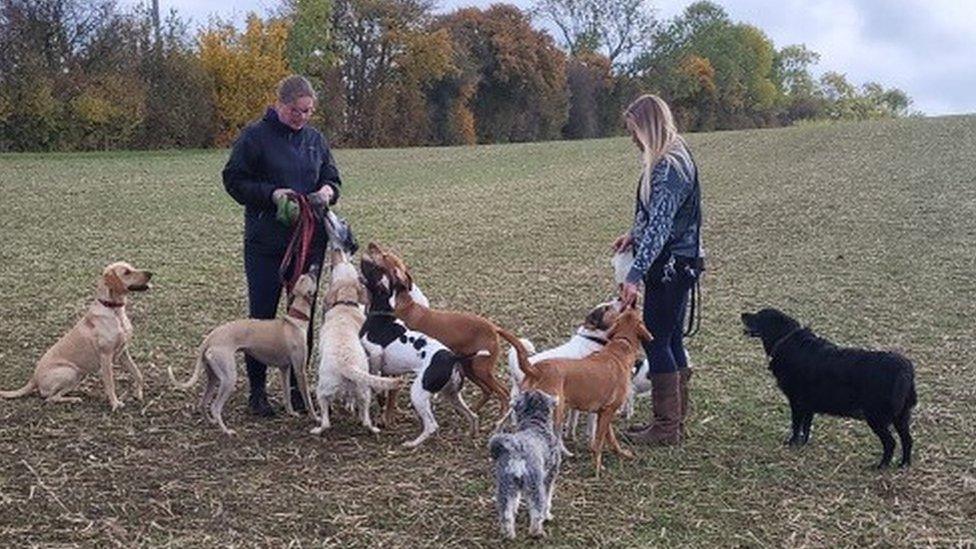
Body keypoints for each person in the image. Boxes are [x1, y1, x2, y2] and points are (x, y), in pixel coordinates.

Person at [222, 75, 342, 417]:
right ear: (280, 104)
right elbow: (234, 180)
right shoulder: (254, 137)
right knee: (261, 317)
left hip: (308, 240)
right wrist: (272, 194)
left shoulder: (315, 140)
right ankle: (257, 393)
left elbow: (332, 178)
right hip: (266, 242)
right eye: (296, 111)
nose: (302, 117)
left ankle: (298, 389)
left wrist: (326, 193)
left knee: (301, 317)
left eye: (308, 111)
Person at [613, 94, 703, 446]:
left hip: (671, 265)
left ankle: (667, 427)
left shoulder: (669, 167)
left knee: (657, 341)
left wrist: (634, 276)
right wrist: (632, 234)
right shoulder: (671, 159)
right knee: (672, 339)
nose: (632, 137)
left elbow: (662, 226)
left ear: (647, 127)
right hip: (680, 263)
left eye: (634, 130)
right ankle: (674, 423)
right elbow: (651, 217)